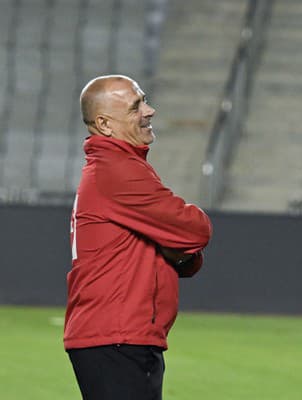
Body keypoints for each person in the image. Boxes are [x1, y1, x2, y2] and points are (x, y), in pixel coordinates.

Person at [64, 75, 213, 400]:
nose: (150, 110)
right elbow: (194, 229)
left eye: (144, 100)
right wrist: (180, 242)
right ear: (104, 123)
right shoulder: (117, 169)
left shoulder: (116, 167)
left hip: (118, 336)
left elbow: (185, 253)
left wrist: (180, 247)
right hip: (117, 337)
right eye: (136, 106)